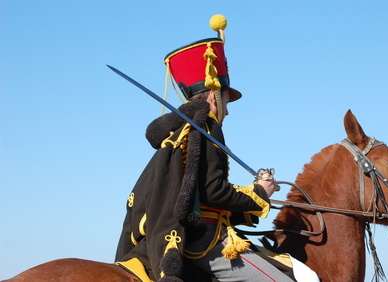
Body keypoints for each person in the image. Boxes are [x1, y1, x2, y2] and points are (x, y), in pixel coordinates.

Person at [114, 15, 298, 282]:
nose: (228, 110)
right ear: (214, 94)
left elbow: (199, 191)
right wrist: (259, 192)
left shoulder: (182, 130)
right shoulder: (207, 127)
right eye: (226, 99)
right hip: (205, 241)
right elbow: (214, 192)